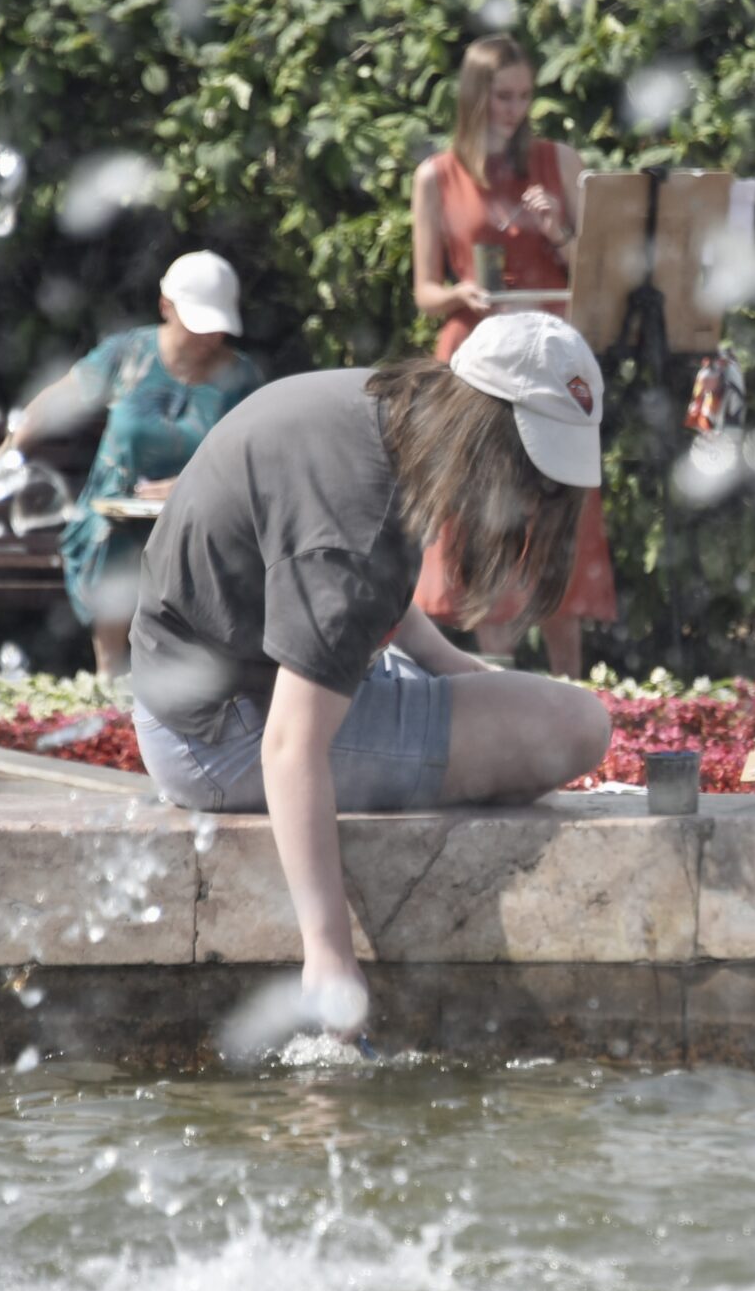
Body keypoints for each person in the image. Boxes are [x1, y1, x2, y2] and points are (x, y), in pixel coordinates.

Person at [130, 312, 613, 1030]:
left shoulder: (378, 413)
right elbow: (292, 745)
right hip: (221, 735)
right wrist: (327, 953)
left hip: (202, 691)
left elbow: (342, 595)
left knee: (526, 707)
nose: (537, 500)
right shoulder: (359, 515)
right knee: (576, 725)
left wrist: (446, 664)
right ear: (487, 431)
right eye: (536, 476)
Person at [409, 34, 616, 678]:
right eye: (502, 96)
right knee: (482, 514)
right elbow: (423, 291)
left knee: (559, 513)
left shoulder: (559, 161)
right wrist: (457, 293)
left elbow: (597, 273)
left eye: (525, 96)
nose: (515, 110)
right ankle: (493, 682)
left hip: (550, 354)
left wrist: (558, 229)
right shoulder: (436, 175)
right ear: (474, 96)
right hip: (475, 357)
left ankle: (571, 686)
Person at [0, 251, 261, 681]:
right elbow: (55, 404)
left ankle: (184, 693)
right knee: (114, 542)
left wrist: (195, 485)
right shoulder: (127, 355)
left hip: (201, 519)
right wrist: (5, 461)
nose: (210, 337)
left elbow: (255, 461)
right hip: (115, 516)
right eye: (199, 323)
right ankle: (111, 680)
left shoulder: (242, 381)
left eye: (218, 325)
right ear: (167, 307)